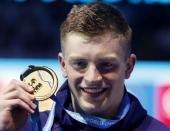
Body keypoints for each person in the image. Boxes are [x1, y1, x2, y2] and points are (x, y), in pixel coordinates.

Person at [0, 2, 169, 131]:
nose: (92, 78)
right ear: (63, 65)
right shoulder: (32, 126)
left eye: (106, 65)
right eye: (80, 64)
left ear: (129, 67)